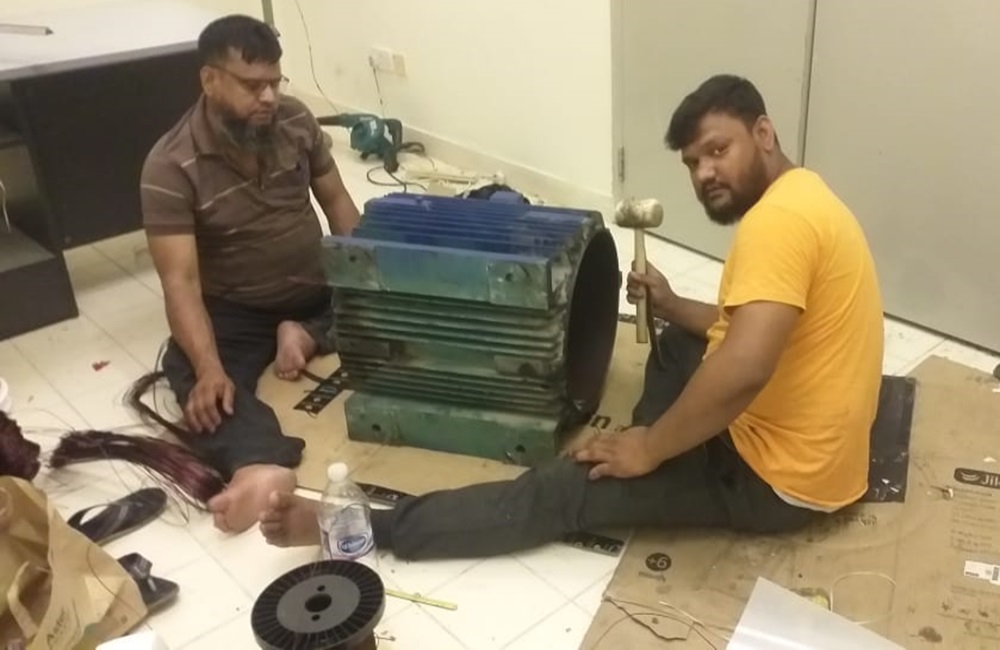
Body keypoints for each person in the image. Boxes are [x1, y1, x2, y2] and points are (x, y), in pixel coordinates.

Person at [258, 74, 885, 559]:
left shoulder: (776, 224)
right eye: (694, 162)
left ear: (764, 133)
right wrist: (669, 305)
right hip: (825, 452)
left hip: (777, 480)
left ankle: (371, 527)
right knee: (676, 341)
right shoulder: (805, 196)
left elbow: (745, 367)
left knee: (563, 488)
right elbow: (744, 325)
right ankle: (654, 453)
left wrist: (650, 448)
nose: (705, 173)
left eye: (718, 150)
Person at [140, 15, 360, 533]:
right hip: (241, 307)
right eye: (252, 85)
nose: (268, 98)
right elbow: (180, 282)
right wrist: (209, 365)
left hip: (318, 288)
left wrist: (368, 280)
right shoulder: (170, 166)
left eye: (275, 83)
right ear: (209, 79)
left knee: (402, 308)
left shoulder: (295, 121)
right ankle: (260, 460)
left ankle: (306, 332)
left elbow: (337, 202)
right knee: (195, 374)